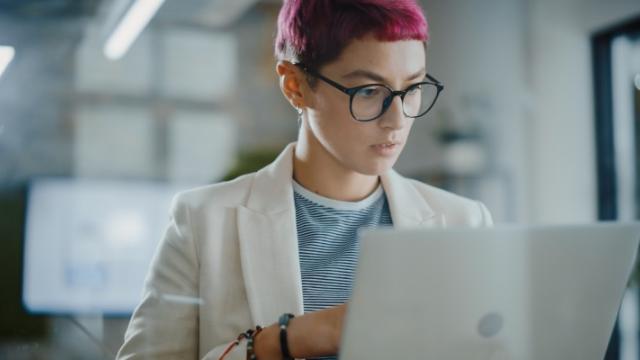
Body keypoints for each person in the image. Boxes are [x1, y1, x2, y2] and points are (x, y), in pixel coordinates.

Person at [116, 0, 493, 359]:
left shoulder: (464, 223)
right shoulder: (203, 221)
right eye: (368, 91)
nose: (397, 120)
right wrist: (283, 341)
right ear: (295, 85)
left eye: (412, 89)